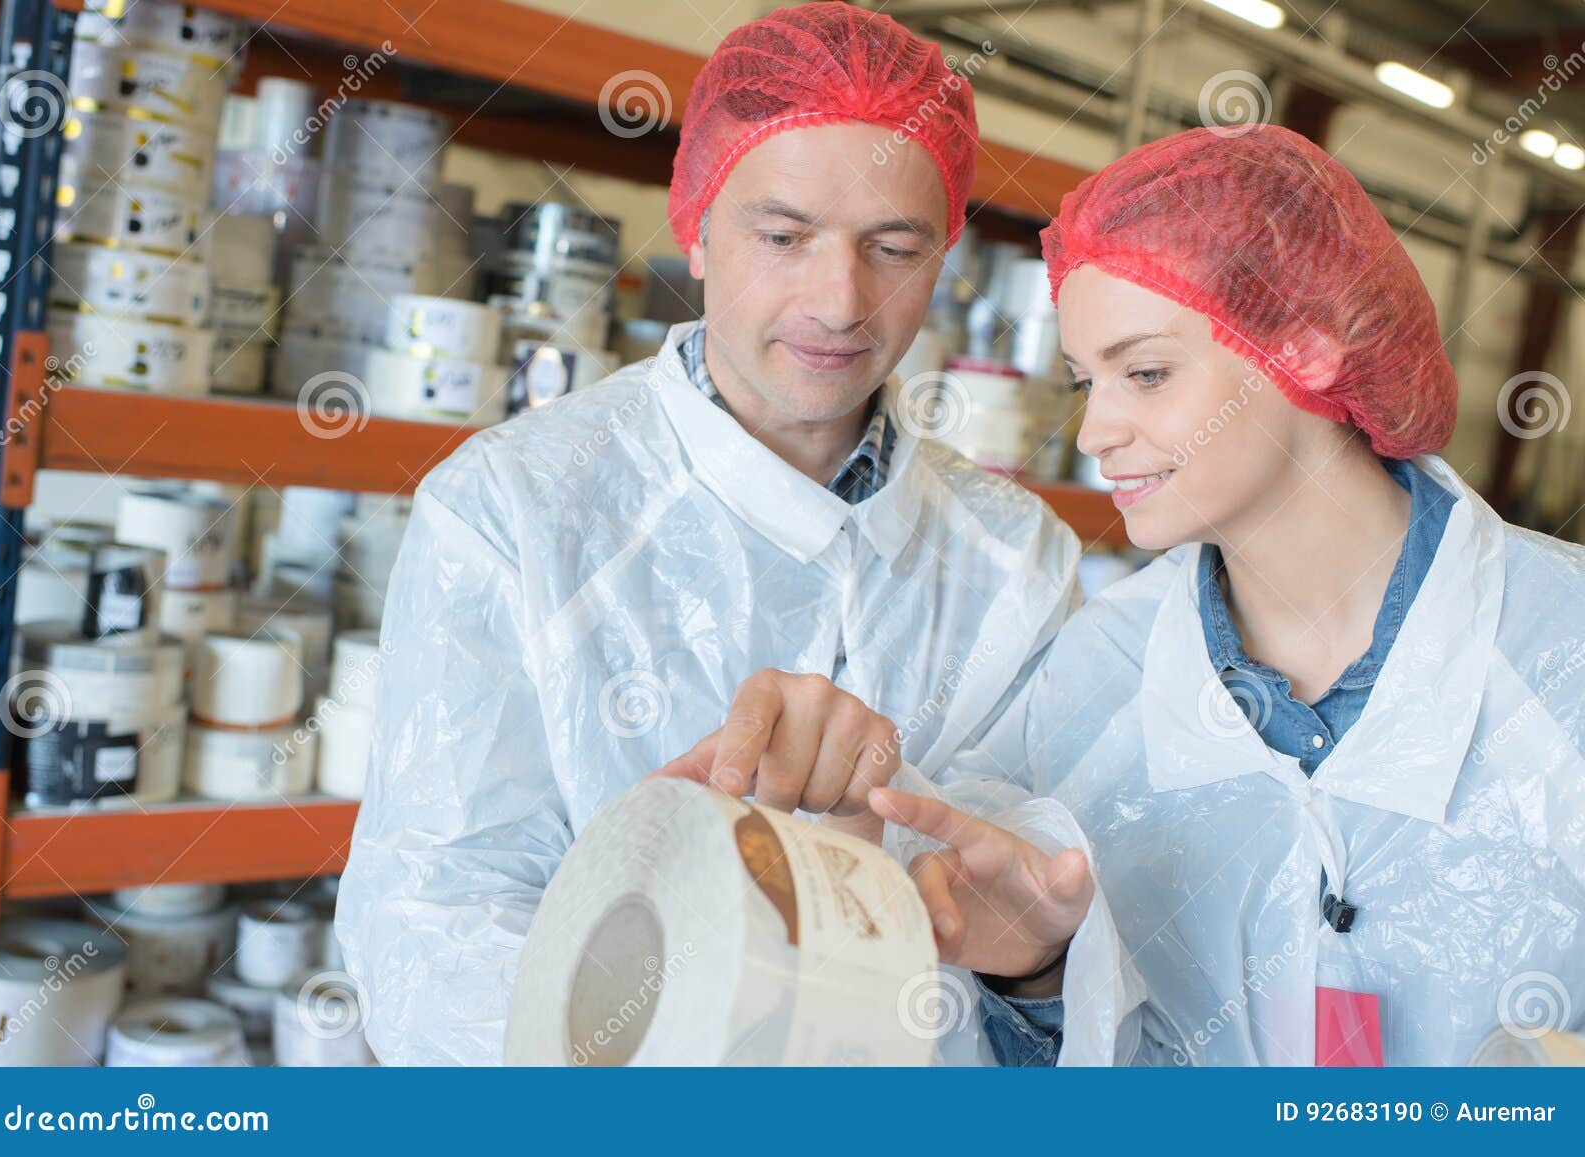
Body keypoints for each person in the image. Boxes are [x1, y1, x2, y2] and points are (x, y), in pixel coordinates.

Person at [677, 124, 1585, 1065]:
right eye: (1085, 380)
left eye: (1145, 373)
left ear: (1311, 347)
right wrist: (1033, 969)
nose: (1098, 430)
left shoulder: (1563, 648)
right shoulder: (1094, 677)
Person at [335, 3, 1098, 1066]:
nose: (838, 301)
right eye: (782, 237)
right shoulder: (511, 511)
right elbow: (429, 928)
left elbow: (1054, 941)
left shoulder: (1019, 561)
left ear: (945, 256)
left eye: (894, 246)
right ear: (694, 224)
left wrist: (1030, 959)